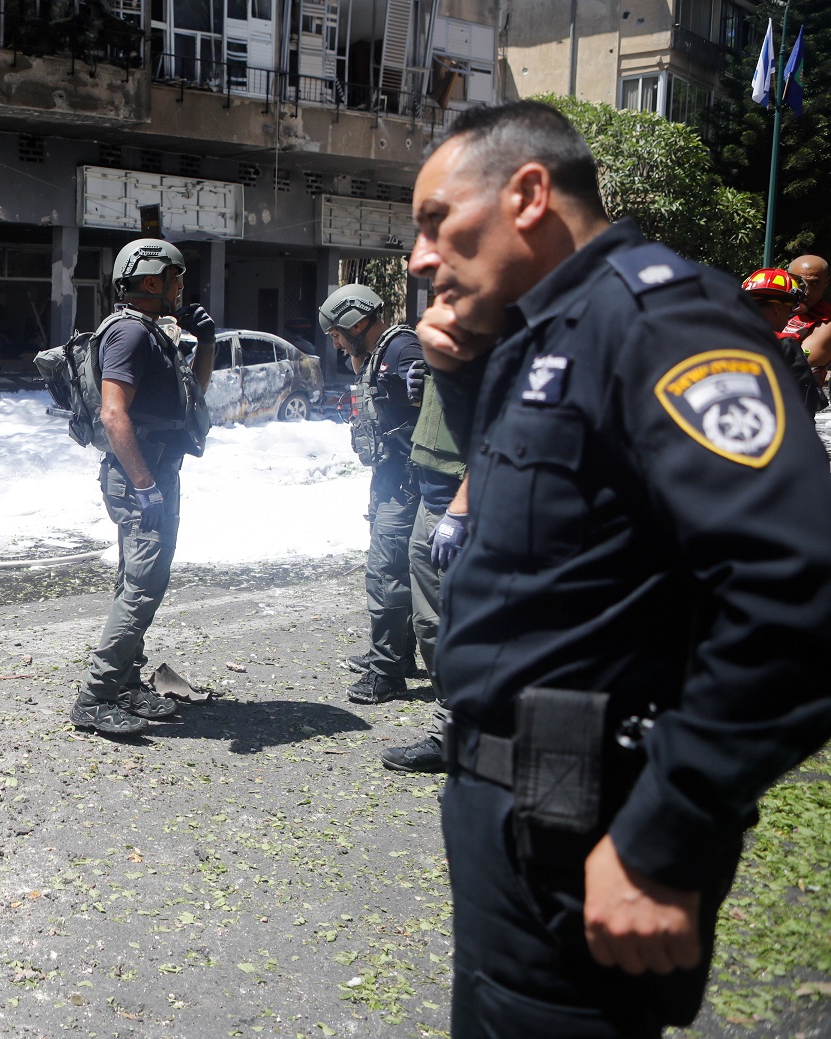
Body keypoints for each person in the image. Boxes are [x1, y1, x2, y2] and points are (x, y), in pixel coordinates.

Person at [409, 100, 831, 1038]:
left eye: (436, 220)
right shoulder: (544, 333)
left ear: (527, 193)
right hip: (508, 806)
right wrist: (468, 374)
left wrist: (665, 834)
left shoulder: (663, 322)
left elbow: (796, 591)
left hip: (595, 822)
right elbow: (568, 543)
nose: (420, 256)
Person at [70, 238, 215, 736]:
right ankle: (96, 696)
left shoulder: (152, 332)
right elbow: (114, 414)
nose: (180, 287)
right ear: (150, 281)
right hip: (141, 478)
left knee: (137, 580)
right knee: (144, 585)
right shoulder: (130, 334)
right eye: (175, 277)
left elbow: (193, 397)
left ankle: (127, 683)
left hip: (152, 472)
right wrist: (146, 486)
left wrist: (207, 343)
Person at [318, 283, 424, 704]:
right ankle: (398, 655)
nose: (337, 343)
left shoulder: (403, 350)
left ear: (357, 322)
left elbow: (432, 400)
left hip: (405, 482)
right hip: (389, 479)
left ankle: (387, 673)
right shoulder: (379, 353)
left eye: (338, 333)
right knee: (394, 572)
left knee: (387, 575)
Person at [381, 357, 469, 773]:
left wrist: (463, 510)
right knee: (430, 625)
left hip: (464, 507)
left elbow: (504, 435)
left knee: (464, 628)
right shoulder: (453, 343)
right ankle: (451, 731)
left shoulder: (505, 343)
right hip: (431, 501)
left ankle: (474, 735)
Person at [740, 267, 825, 414]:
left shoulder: (720, 337)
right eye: (790, 309)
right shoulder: (783, 344)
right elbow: (807, 400)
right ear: (777, 308)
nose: (789, 316)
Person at [784, 254, 831, 380]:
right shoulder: (776, 307)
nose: (807, 291)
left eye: (815, 283)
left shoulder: (827, 322)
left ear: (825, 283)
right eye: (800, 282)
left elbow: (799, 367)